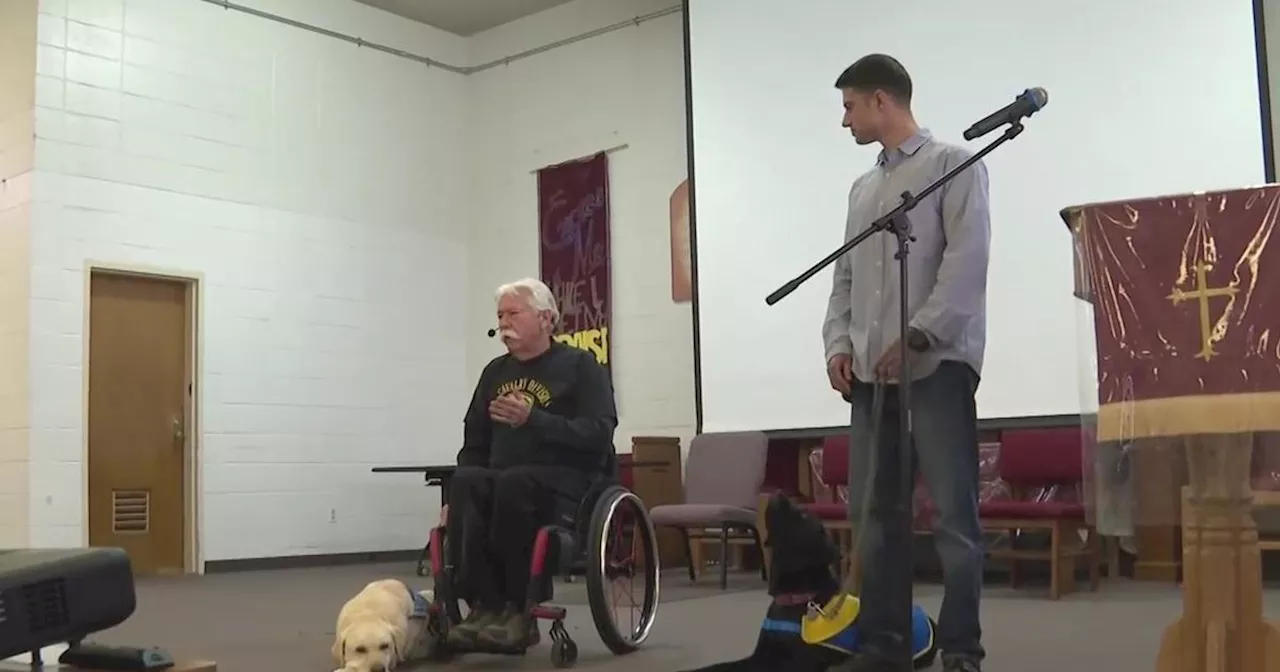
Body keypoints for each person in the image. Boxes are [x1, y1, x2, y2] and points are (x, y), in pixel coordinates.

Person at [822, 54, 990, 672]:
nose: (844, 122)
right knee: (874, 519)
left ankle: (961, 649)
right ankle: (888, 645)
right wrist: (838, 344)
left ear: (881, 102)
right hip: (870, 378)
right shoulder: (863, 190)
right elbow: (842, 279)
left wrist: (920, 334)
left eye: (849, 107)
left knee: (952, 517)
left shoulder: (952, 165)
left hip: (937, 369)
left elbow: (967, 264)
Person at [439, 277, 618, 650]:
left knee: (513, 483)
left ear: (546, 318)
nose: (504, 321)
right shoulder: (494, 372)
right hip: (505, 476)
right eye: (500, 314)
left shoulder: (580, 366)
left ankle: (520, 609)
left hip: (569, 477)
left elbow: (599, 433)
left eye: (513, 313)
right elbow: (474, 440)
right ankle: (485, 607)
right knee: (467, 481)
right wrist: (450, 500)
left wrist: (533, 419)